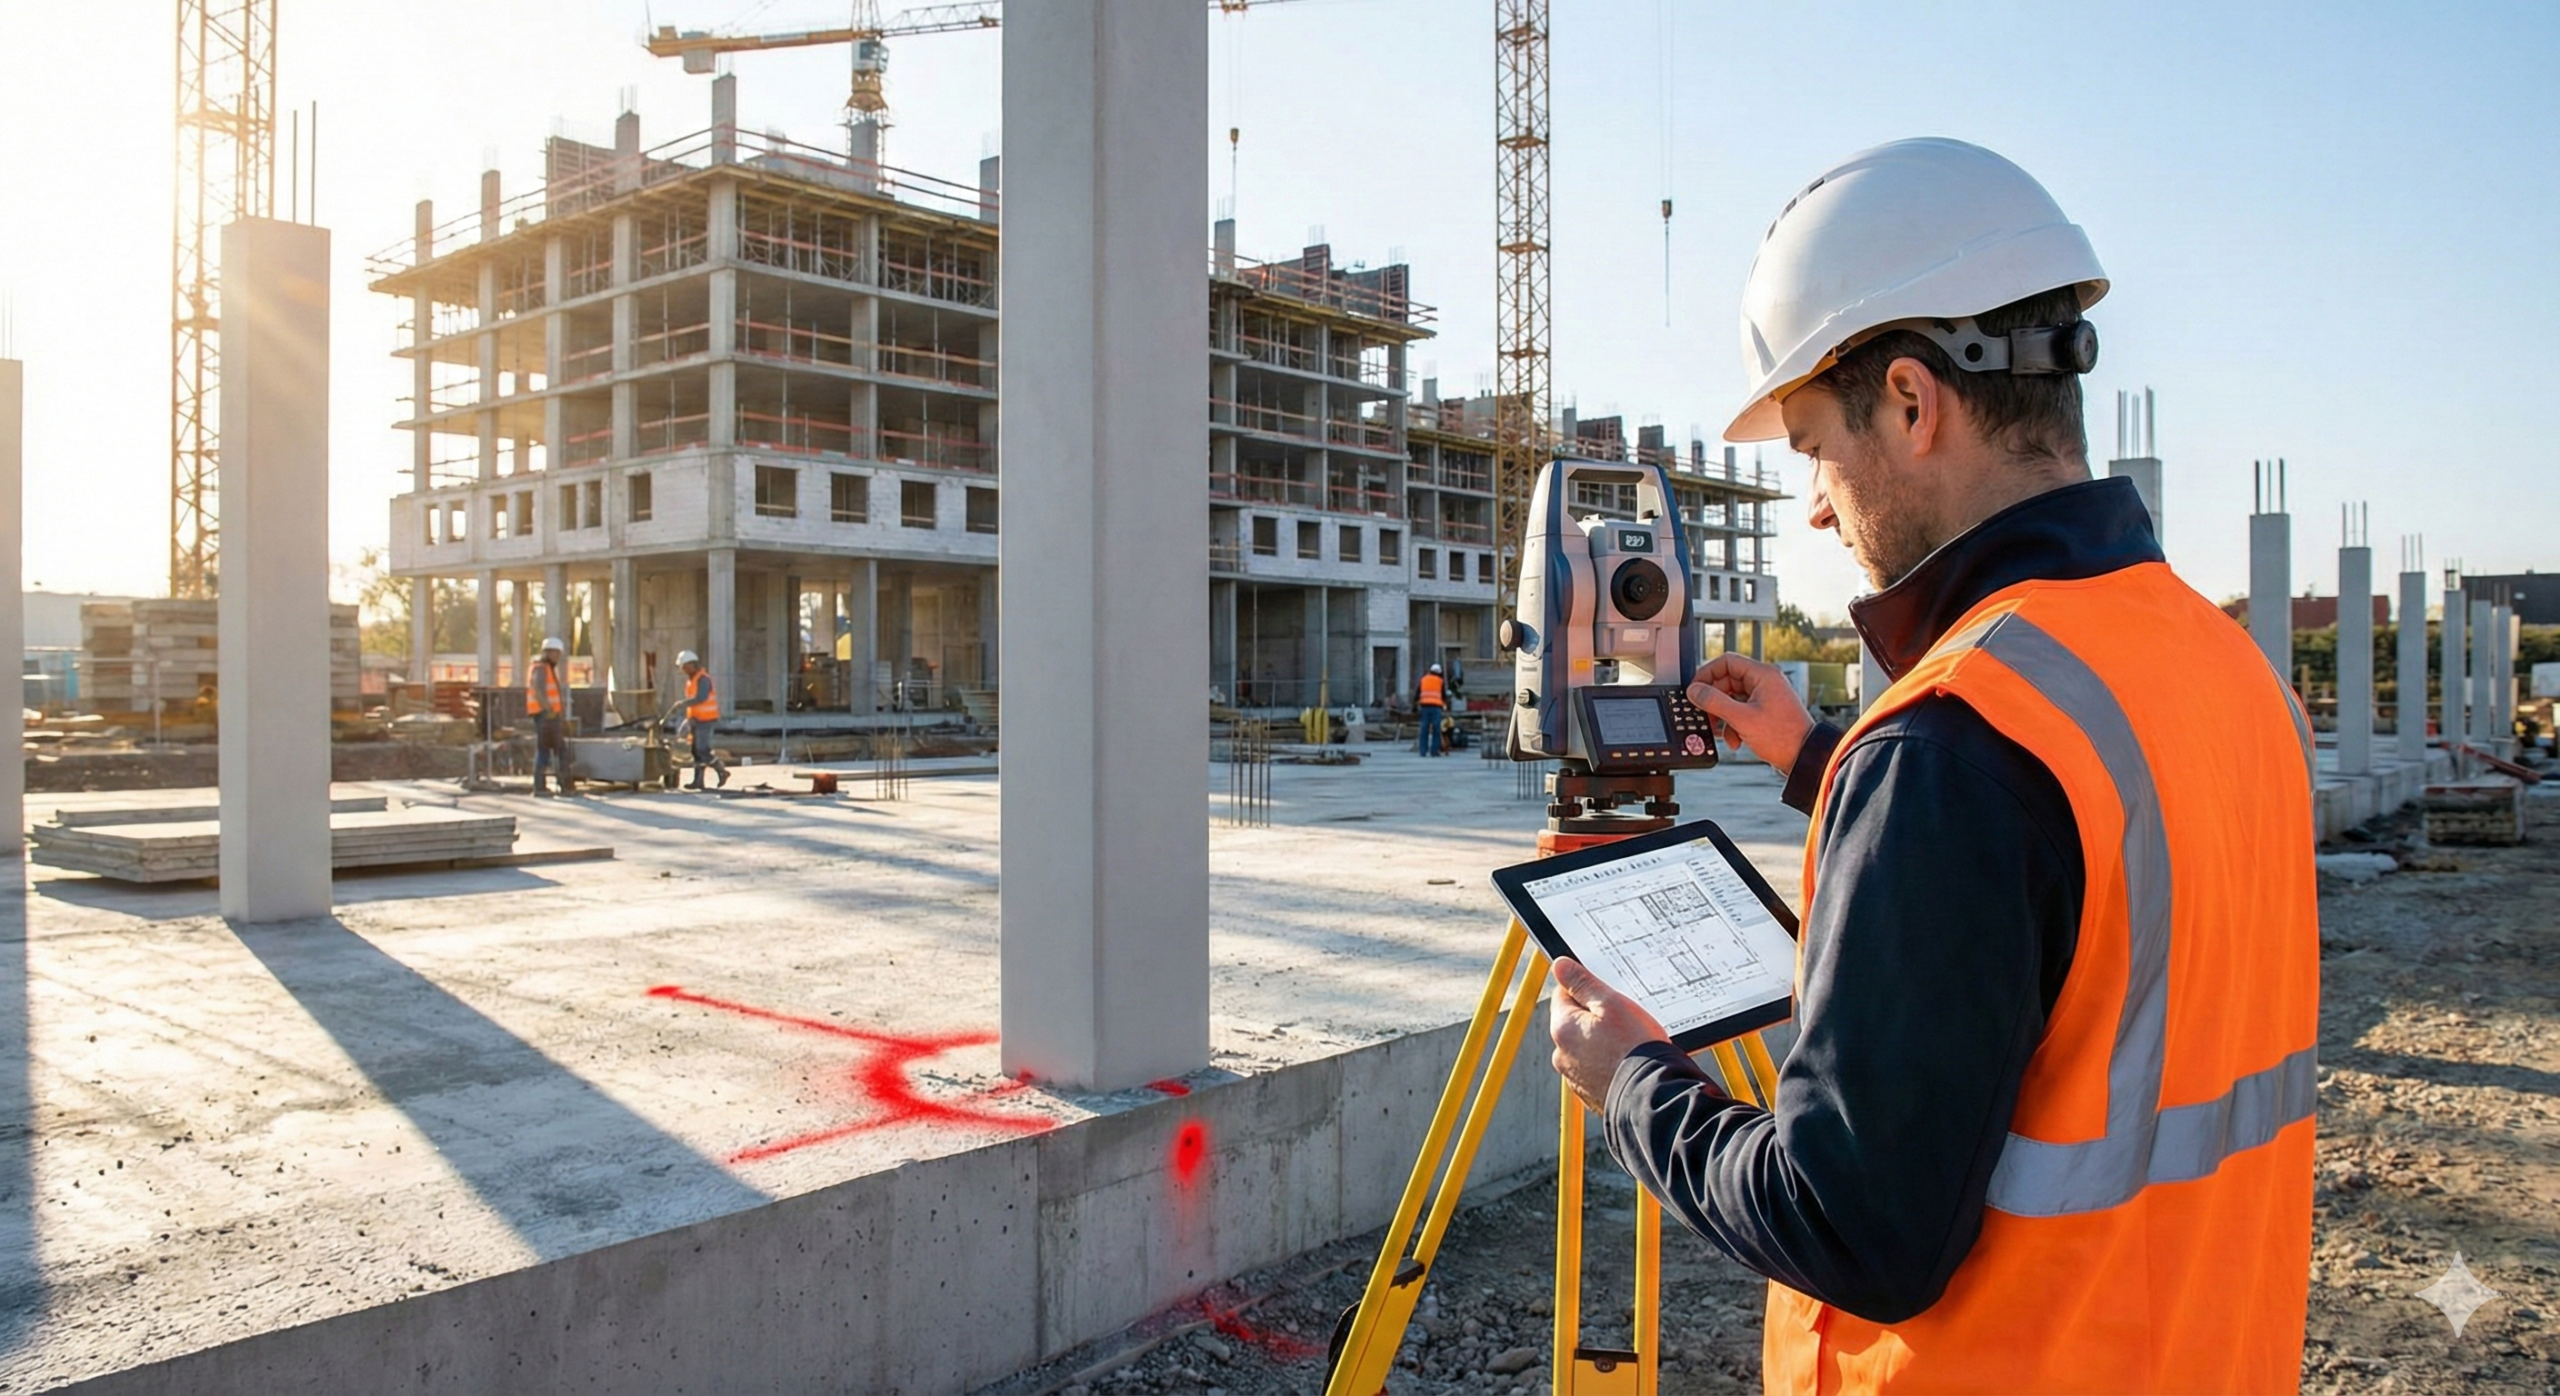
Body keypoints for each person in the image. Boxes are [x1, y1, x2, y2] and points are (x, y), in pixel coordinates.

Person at [1546, 138, 2317, 1394]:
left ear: (1911, 403)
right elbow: (2077, 903)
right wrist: (1823, 763)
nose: (1812, 507)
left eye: (1809, 447)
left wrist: (1634, 1081)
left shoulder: (1952, 746)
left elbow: (1851, 1223)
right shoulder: (2218, 668)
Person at [670, 649, 730, 791]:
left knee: (703, 750)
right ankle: (698, 781)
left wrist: (682, 703)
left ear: (691, 664)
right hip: (696, 719)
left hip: (706, 719)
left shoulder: (703, 679)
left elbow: (701, 698)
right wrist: (688, 718)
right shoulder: (691, 680)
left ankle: (722, 771)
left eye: (685, 667)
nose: (683, 670)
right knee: (695, 751)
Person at [526, 636, 577, 798]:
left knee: (547, 750)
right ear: (548, 652)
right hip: (545, 716)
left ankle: (543, 786)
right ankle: (562, 785)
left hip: (548, 715)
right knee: (557, 750)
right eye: (555, 653)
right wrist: (549, 710)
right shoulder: (541, 668)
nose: (558, 657)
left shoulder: (545, 667)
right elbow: (539, 690)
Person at [1415, 663, 1447, 757]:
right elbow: (1443, 695)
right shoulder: (1440, 681)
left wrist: (1415, 704)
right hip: (1436, 707)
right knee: (1436, 729)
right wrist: (1445, 704)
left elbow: (1418, 692)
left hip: (1424, 706)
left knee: (1424, 729)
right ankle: (1434, 751)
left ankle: (1423, 751)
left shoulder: (1423, 679)